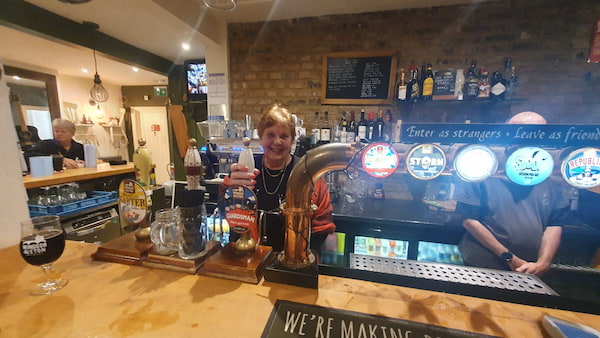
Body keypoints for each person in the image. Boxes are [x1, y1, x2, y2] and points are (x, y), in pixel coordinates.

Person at [455, 111, 570, 277]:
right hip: (482, 264)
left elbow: (554, 224)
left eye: (536, 133)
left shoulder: (552, 175)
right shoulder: (484, 166)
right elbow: (469, 220)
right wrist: (509, 257)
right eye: (520, 132)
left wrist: (544, 262)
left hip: (530, 267)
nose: (527, 138)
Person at [220, 103, 335, 256]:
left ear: (293, 140)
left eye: (284, 136)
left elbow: (322, 226)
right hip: (246, 258)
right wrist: (230, 190)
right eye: (270, 135)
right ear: (260, 138)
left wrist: (299, 256)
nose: (277, 142)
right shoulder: (244, 168)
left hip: (291, 262)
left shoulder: (307, 173)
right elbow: (223, 210)